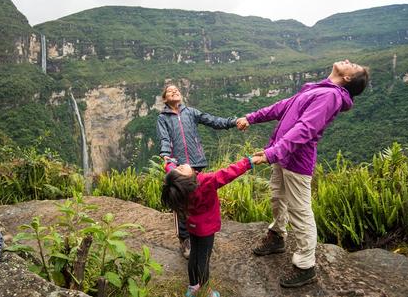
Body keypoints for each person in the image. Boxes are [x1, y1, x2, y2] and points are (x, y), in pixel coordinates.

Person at [236, 59, 369, 288]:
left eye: (352, 65)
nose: (348, 61)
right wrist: (251, 117)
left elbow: (305, 128)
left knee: (300, 210)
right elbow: (281, 107)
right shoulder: (317, 89)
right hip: (281, 153)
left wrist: (273, 152)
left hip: (296, 159)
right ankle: (277, 236)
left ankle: (305, 266)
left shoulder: (331, 96)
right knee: (277, 197)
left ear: (347, 78)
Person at [156, 84, 238, 259]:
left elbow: (212, 120)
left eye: (177, 90)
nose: (175, 91)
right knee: (181, 204)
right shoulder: (162, 118)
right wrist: (165, 155)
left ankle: (200, 237)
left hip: (196, 163)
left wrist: (232, 122)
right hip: (179, 165)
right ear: (165, 99)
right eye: (170, 91)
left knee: (200, 201)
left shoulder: (191, 112)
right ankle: (185, 239)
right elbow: (164, 138)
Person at [162, 156, 254, 297]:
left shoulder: (179, 186)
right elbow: (228, 173)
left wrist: (169, 163)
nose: (181, 165)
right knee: (204, 259)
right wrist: (248, 162)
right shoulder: (206, 182)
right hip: (206, 229)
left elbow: (171, 170)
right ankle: (206, 290)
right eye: (180, 168)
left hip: (192, 226)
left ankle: (193, 287)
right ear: (187, 179)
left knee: (194, 255)